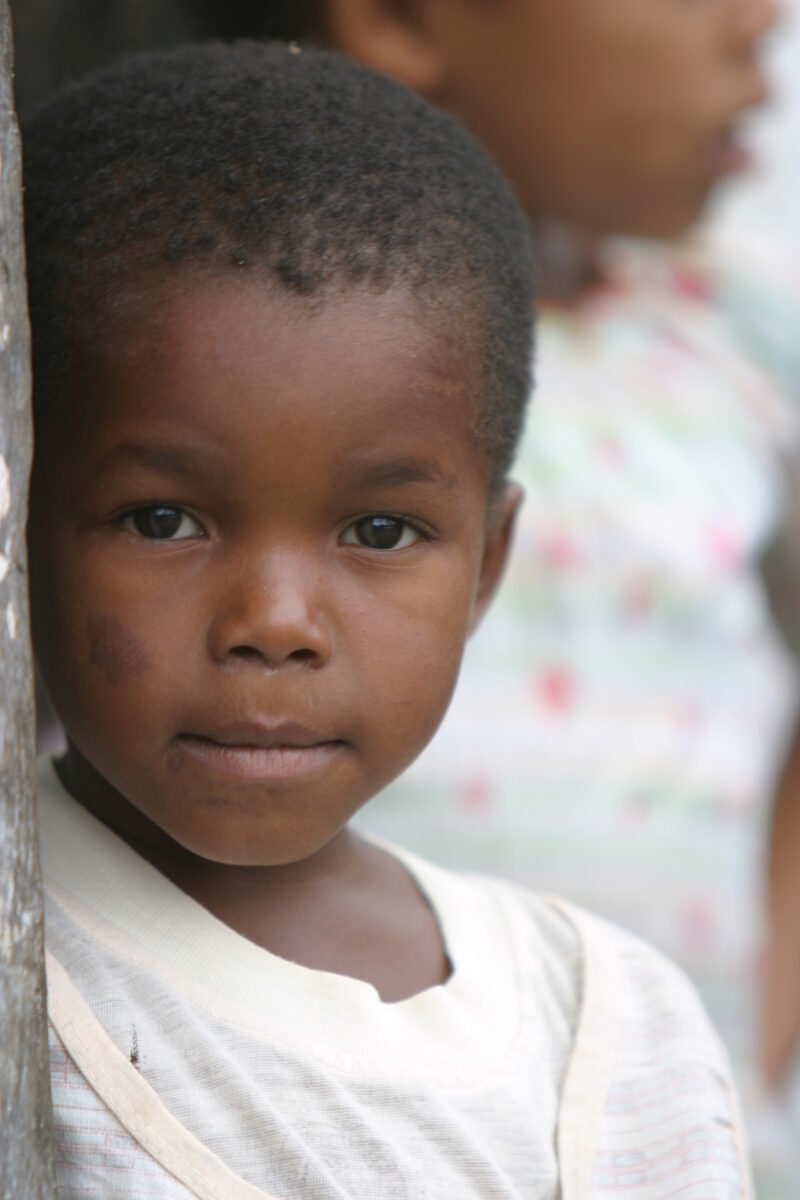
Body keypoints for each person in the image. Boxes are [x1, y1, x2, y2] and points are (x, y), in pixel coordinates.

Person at [24, 41, 752, 1199]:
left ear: (485, 568)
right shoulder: (34, 994)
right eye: (162, 518)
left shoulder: (609, 1028)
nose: (273, 623)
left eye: (377, 533)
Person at [257, 3, 800, 1193]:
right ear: (403, 19)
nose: (757, 22)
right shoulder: (247, 346)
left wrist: (750, 1038)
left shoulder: (735, 347)